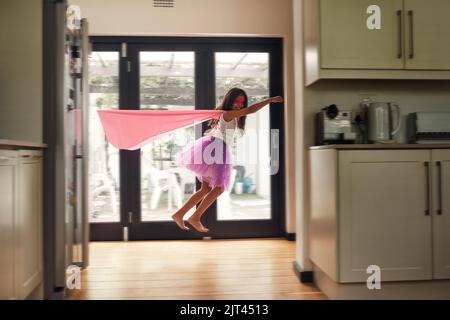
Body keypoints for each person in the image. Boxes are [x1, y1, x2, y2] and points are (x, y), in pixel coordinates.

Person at [171, 88, 284, 233]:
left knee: (205, 189)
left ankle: (179, 214)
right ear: (230, 100)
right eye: (237, 101)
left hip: (214, 147)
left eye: (242, 102)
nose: (239, 105)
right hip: (216, 149)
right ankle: (195, 217)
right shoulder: (228, 114)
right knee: (219, 188)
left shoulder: (226, 114)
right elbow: (250, 110)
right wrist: (270, 100)